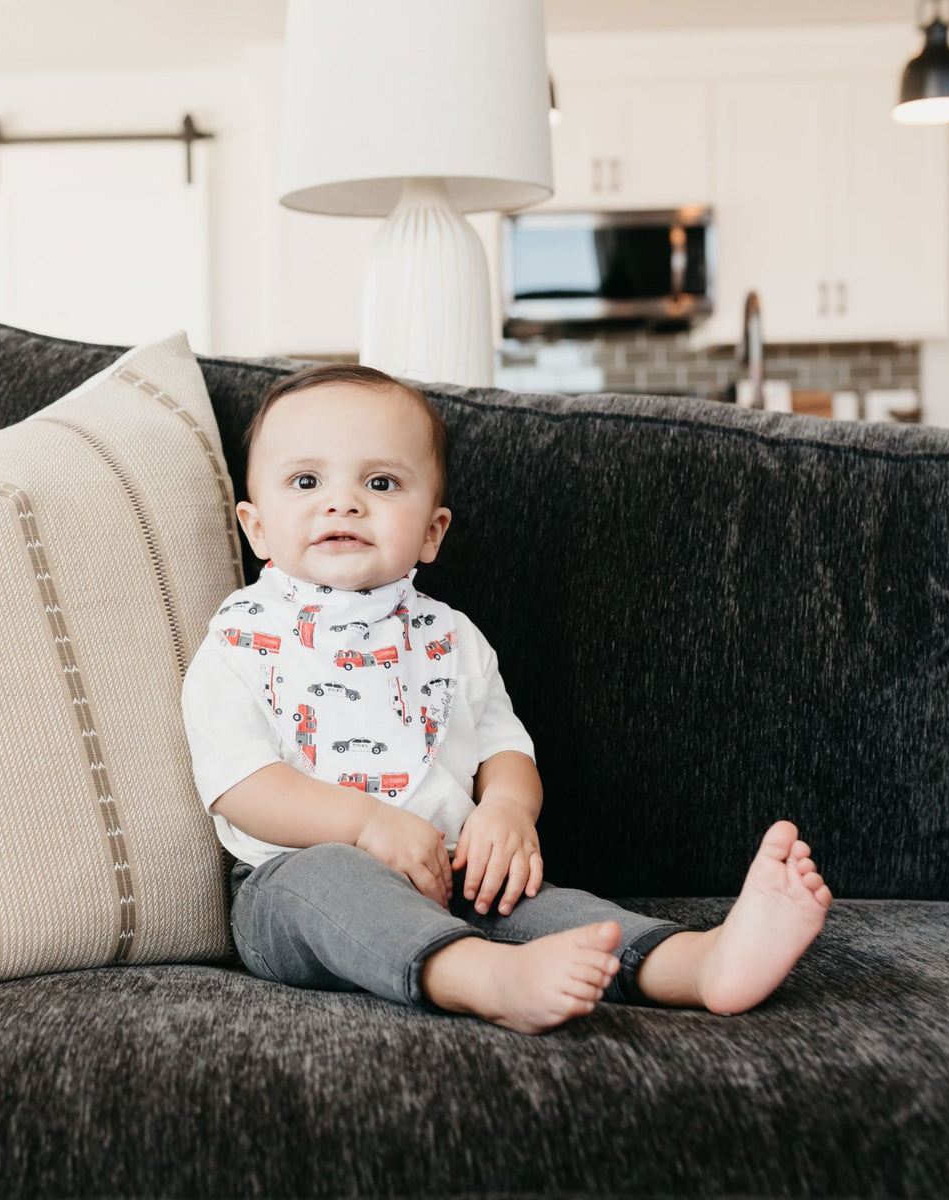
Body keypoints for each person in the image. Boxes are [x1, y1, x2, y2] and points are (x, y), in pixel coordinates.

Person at [181, 363, 833, 1034]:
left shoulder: (450, 639)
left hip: (458, 872)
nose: (343, 502)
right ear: (255, 527)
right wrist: (366, 825)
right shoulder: (240, 643)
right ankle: (480, 978)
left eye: (380, 483)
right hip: (290, 885)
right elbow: (241, 784)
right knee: (329, 884)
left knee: (540, 904)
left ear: (432, 531)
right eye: (306, 481)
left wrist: (508, 812)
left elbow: (505, 748)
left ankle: (697, 963)